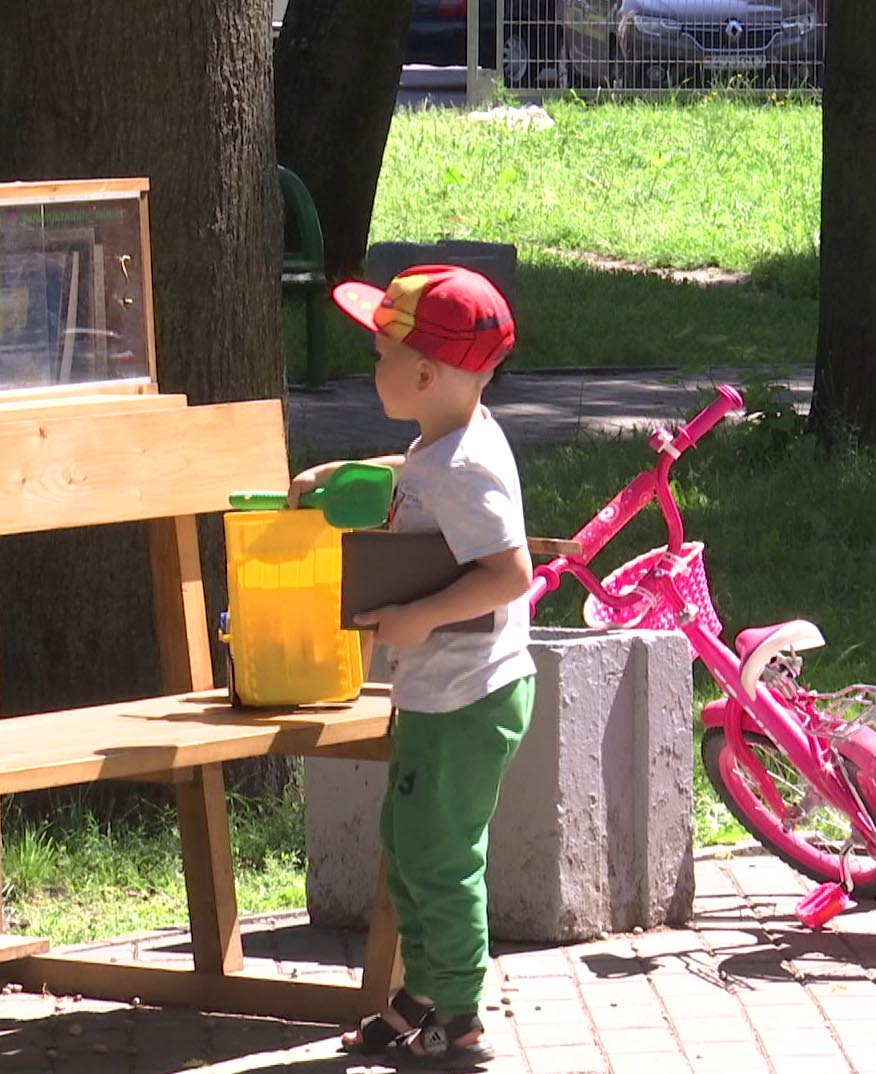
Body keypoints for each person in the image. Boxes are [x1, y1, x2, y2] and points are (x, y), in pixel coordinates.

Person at [290, 264, 535, 1069]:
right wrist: (352, 475)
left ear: (424, 374)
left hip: (469, 697)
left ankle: (457, 1014)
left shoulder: (465, 469)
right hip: (443, 694)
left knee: (440, 855)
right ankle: (426, 991)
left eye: (380, 357)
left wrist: (417, 617)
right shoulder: (447, 439)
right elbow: (417, 478)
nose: (373, 370)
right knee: (411, 839)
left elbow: (510, 573)